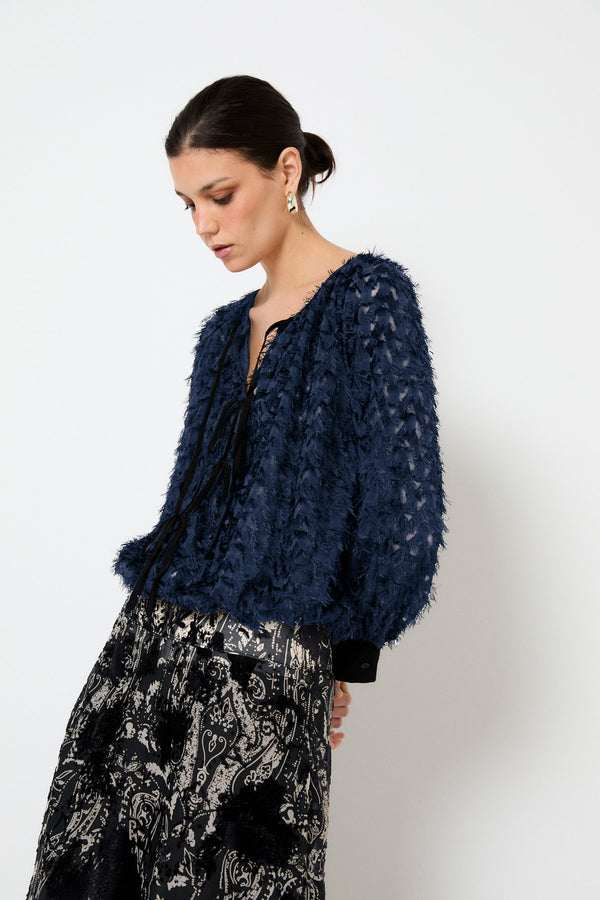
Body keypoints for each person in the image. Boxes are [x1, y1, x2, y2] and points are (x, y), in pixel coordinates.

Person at [26, 74, 446, 899]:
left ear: (286, 171)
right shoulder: (222, 334)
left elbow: (405, 507)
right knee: (96, 866)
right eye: (188, 205)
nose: (204, 225)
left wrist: (344, 654)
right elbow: (191, 509)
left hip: (266, 666)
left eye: (220, 195)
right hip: (149, 651)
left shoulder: (371, 300)